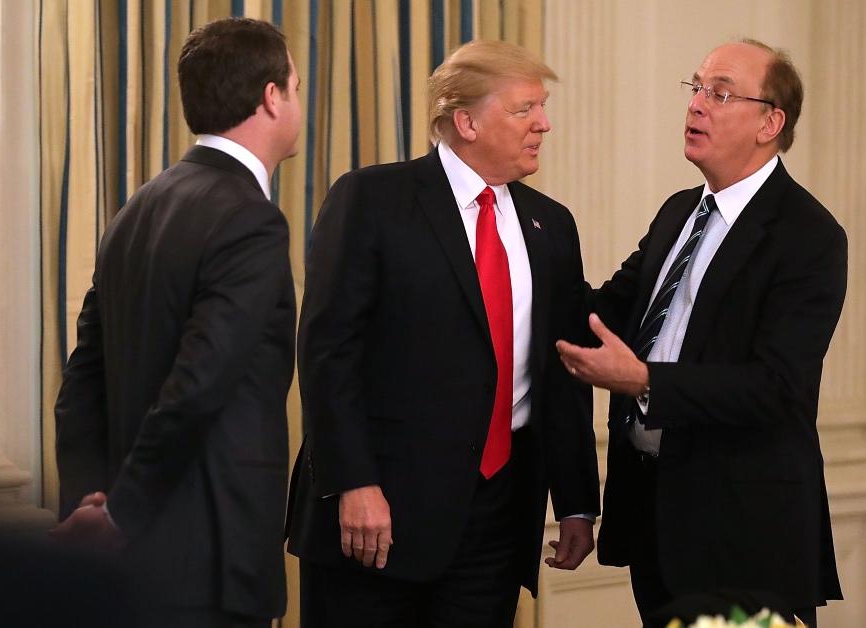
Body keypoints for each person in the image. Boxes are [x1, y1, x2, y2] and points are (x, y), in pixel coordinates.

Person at [286, 40, 600, 627]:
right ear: (467, 121)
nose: (544, 124)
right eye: (524, 109)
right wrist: (353, 482)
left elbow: (563, 368)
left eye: (543, 107)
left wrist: (577, 500)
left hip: (498, 520)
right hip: (378, 516)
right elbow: (329, 354)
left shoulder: (551, 225)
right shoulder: (372, 199)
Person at [556, 39, 845, 626]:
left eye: (719, 93)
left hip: (744, 534)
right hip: (655, 518)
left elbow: (777, 388)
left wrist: (643, 380)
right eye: (695, 88)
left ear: (771, 122)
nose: (696, 106)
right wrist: (521, 244)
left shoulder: (808, 236)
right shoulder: (677, 212)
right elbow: (600, 314)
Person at [51, 17, 301, 626]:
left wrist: (89, 506)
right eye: (294, 88)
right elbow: (199, 384)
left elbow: (82, 383)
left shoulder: (137, 208)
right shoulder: (250, 218)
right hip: (209, 559)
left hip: (126, 560)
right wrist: (119, 516)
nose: (298, 103)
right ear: (271, 97)